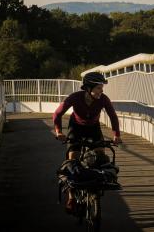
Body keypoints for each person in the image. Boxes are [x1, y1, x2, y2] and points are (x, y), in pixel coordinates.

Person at [53, 71, 122, 211]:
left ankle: (95, 184)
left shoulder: (103, 99)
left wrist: (116, 135)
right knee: (73, 159)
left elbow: (113, 116)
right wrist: (59, 132)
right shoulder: (75, 97)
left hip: (93, 128)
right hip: (76, 126)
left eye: (102, 88)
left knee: (100, 156)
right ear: (89, 88)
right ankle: (71, 198)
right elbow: (57, 113)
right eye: (98, 88)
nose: (101, 91)